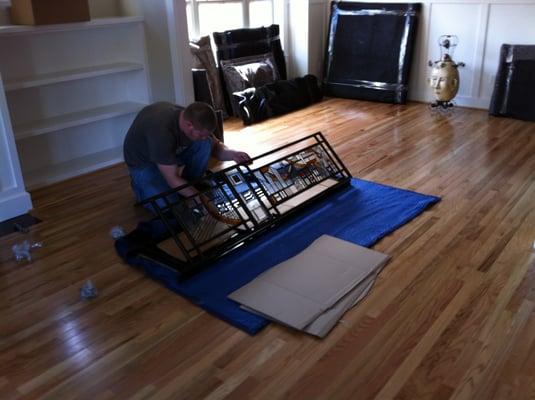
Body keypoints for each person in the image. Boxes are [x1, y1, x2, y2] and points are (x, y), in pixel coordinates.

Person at [123, 101, 251, 209]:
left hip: (166, 152)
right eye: (201, 134)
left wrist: (234, 154)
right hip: (144, 162)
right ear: (189, 125)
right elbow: (172, 179)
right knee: (167, 206)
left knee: (205, 144)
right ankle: (139, 186)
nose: (204, 137)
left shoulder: (192, 117)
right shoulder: (162, 132)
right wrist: (201, 199)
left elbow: (215, 146)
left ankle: (189, 185)